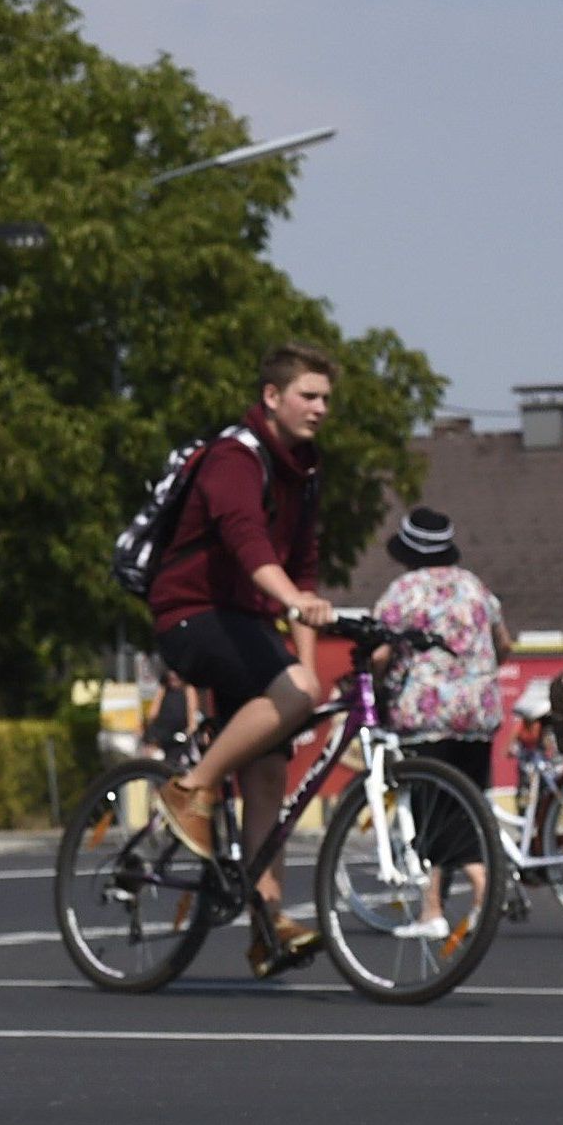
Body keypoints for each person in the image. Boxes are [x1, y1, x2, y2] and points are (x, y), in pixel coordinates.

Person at [149, 341, 336, 970]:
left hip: (248, 620)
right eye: (309, 396)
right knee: (294, 695)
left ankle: (267, 922)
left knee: (267, 772)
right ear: (273, 397)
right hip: (191, 613)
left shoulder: (304, 470)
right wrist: (289, 605)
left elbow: (303, 571)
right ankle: (191, 788)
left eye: (326, 399)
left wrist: (306, 660)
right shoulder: (236, 455)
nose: (320, 408)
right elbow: (246, 540)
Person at [370, 505, 511, 944]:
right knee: (467, 804)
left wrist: (375, 686)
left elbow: (379, 652)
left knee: (434, 812)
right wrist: (476, 676)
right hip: (478, 715)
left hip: (426, 717)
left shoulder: (404, 591)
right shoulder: (475, 588)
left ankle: (486, 891)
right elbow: (503, 642)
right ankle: (432, 909)